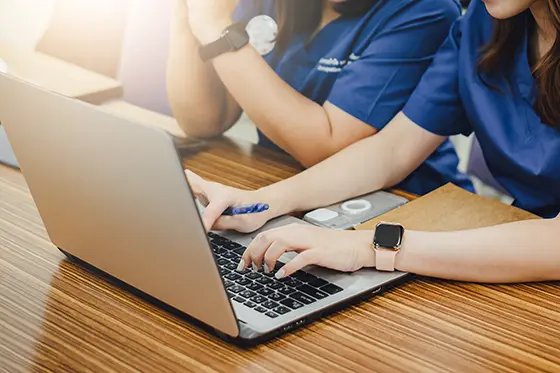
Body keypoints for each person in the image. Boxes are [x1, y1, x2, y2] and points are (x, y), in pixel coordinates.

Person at [186, 0, 560, 284]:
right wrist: (264, 201)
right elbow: (392, 150)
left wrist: (371, 246)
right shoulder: (481, 25)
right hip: (517, 251)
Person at [168, 0, 473, 196]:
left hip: (398, 202)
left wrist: (218, 32)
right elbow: (205, 120)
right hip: (280, 183)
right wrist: (188, 16)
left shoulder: (423, 9)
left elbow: (327, 148)